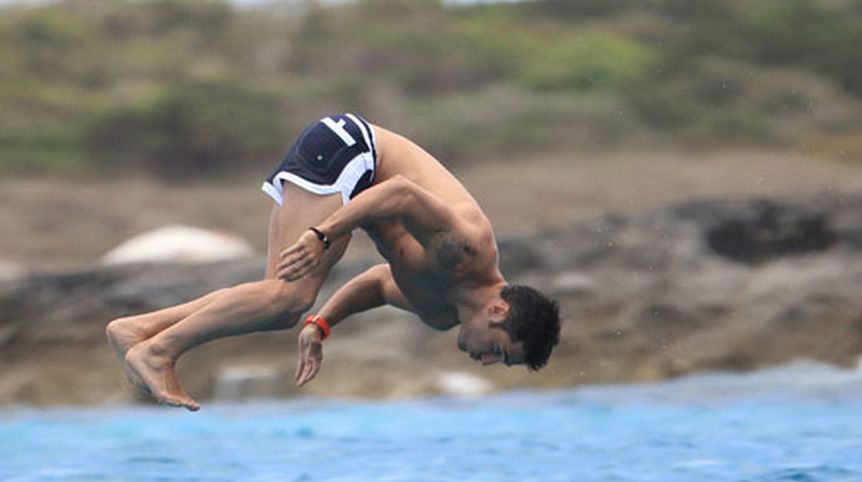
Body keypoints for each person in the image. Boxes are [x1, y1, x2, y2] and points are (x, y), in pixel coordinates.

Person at [107, 113, 560, 410]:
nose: (485, 361)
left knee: (282, 302)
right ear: (498, 310)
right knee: (285, 299)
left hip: (354, 188)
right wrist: (323, 233)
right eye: (499, 352)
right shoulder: (467, 250)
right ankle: (158, 351)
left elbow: (380, 283)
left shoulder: (440, 312)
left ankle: (139, 331)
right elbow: (399, 193)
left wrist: (321, 326)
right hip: (352, 149)